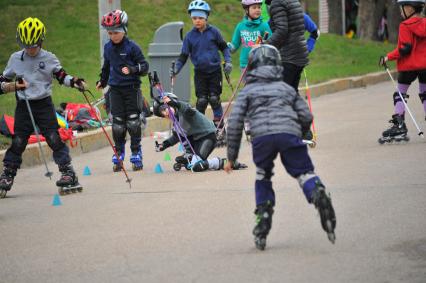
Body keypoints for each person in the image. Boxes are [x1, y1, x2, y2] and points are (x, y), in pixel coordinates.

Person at [224, 45, 336, 250]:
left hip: (262, 139)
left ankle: (264, 213)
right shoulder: (286, 88)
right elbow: (306, 116)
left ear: (252, 67)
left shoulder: (248, 91)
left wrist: (231, 156)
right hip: (288, 135)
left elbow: (235, 122)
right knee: (303, 172)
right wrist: (297, 130)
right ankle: (317, 192)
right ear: (277, 65)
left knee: (262, 175)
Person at [0, 17, 87, 198]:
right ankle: (7, 174)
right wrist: (11, 85)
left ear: (40, 41)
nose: (30, 49)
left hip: (43, 104)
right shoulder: (15, 59)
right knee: (18, 141)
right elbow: (3, 80)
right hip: (24, 106)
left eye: (33, 45)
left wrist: (76, 82)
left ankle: (67, 172)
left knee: (54, 137)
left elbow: (61, 76)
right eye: (26, 45)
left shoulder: (49, 58)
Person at [170, 0, 232, 146]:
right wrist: (176, 69)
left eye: (200, 18)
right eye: (194, 18)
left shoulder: (214, 32)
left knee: (215, 99)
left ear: (206, 18)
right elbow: (183, 56)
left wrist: (228, 61)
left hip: (215, 71)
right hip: (200, 73)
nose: (197, 21)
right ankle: (201, 130)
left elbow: (224, 48)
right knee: (201, 101)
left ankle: (219, 130)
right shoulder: (190, 37)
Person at [96, 10, 149, 171]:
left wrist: (132, 69)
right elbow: (106, 67)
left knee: (133, 122)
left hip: (132, 89)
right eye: (110, 33)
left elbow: (145, 67)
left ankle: (136, 152)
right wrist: (102, 81)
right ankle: (119, 153)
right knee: (118, 124)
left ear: (124, 29)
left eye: (116, 32)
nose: (113, 36)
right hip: (115, 91)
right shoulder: (108, 48)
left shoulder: (132, 47)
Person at [153, 93, 246, 172]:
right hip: (197, 141)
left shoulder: (185, 112)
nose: (165, 113)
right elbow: (176, 137)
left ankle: (224, 162)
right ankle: (190, 156)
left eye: (165, 108)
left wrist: (176, 104)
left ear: (173, 103)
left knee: (198, 166)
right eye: (162, 113)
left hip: (208, 136)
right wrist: (163, 145)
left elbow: (187, 109)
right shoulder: (176, 123)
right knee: (193, 158)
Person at [379, 0, 426, 143]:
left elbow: (404, 49)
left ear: (410, 8)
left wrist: (387, 57)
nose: (401, 12)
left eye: (402, 8)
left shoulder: (405, 25)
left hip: (408, 67)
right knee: (425, 93)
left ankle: (399, 125)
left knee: (400, 94)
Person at [263, 0, 309, 93]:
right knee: (291, 93)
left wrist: (266, 45)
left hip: (289, 56)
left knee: (282, 95)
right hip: (299, 53)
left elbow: (282, 31)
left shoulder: (277, 3)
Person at [228, 0, 272, 71]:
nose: (257, 10)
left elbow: (271, 43)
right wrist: (226, 47)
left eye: (259, 7)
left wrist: (262, 45)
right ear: (246, 10)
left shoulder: (264, 25)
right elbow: (234, 45)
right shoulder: (240, 26)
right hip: (245, 64)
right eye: (254, 8)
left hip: (260, 64)